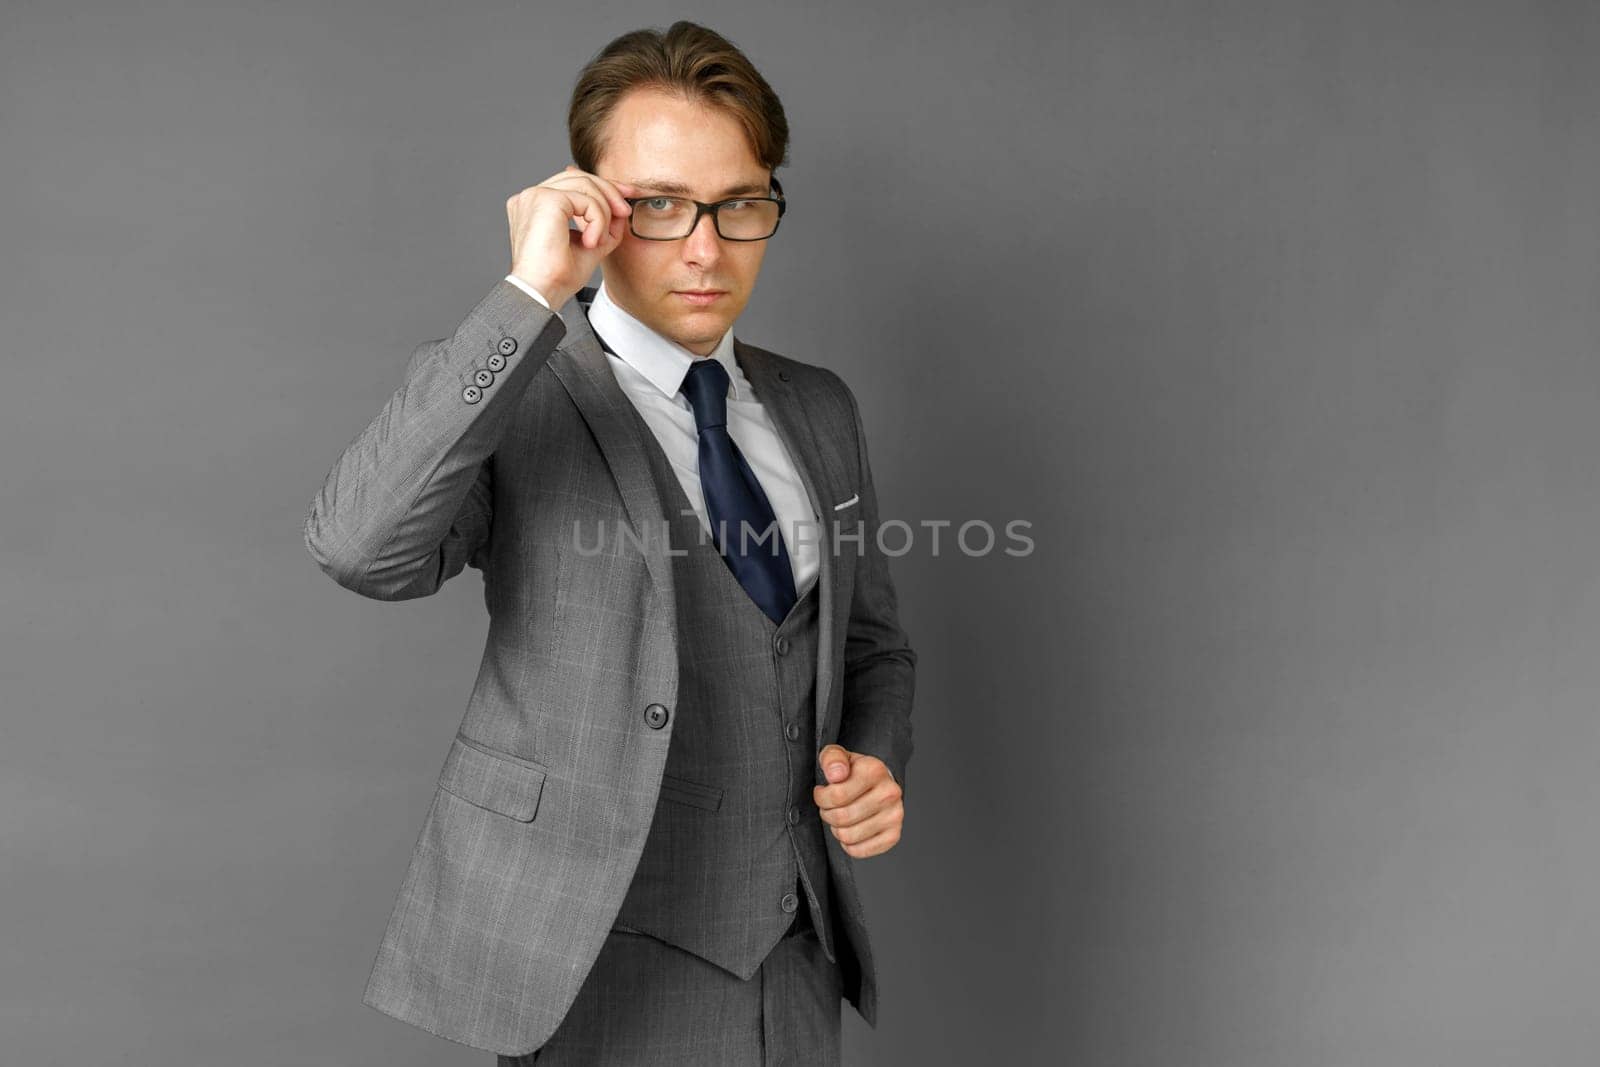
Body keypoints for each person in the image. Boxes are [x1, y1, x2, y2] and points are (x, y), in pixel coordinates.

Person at [303, 20, 916, 1065]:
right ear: (587, 205)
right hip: (585, 948)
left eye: (740, 204)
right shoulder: (518, 394)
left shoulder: (818, 408)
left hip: (792, 947)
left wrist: (873, 758)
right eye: (660, 205)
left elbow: (869, 645)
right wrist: (529, 295)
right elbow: (361, 548)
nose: (704, 247)